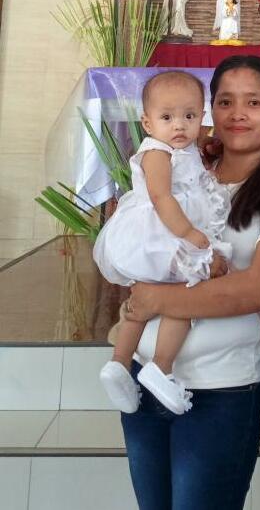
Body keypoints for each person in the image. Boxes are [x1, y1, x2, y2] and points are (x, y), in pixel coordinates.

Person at [121, 55, 260, 510]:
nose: (237, 114)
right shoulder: (184, 167)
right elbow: (138, 239)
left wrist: (155, 298)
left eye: (254, 102)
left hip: (222, 387)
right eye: (225, 102)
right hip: (144, 375)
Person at [94, 70, 232, 415]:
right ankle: (161, 367)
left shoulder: (184, 150)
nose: (179, 125)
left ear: (202, 117)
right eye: (167, 117)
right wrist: (189, 234)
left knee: (142, 302)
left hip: (162, 236)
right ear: (147, 122)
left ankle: (119, 364)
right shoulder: (157, 152)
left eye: (189, 116)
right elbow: (161, 197)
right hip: (161, 234)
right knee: (183, 298)